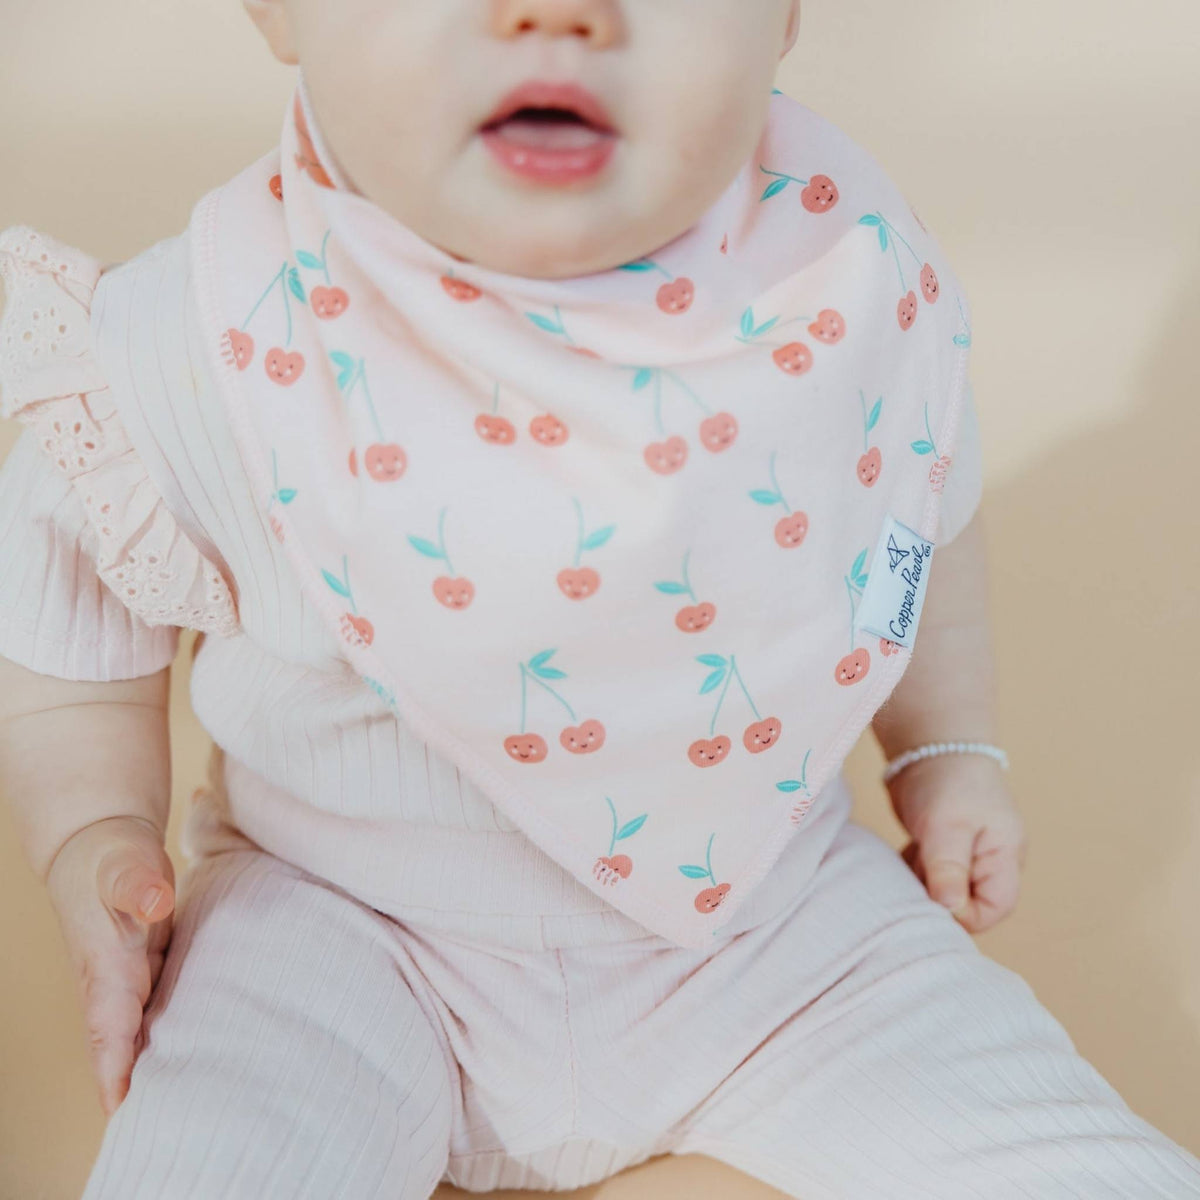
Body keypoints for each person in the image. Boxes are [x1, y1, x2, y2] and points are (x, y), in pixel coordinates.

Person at [0, 2, 1197, 1197]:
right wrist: (93, 829)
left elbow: (911, 517)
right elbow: (69, 598)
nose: (556, 14)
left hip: (777, 929)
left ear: (783, 16)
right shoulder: (211, 333)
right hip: (343, 924)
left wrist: (945, 747)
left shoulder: (835, 284)